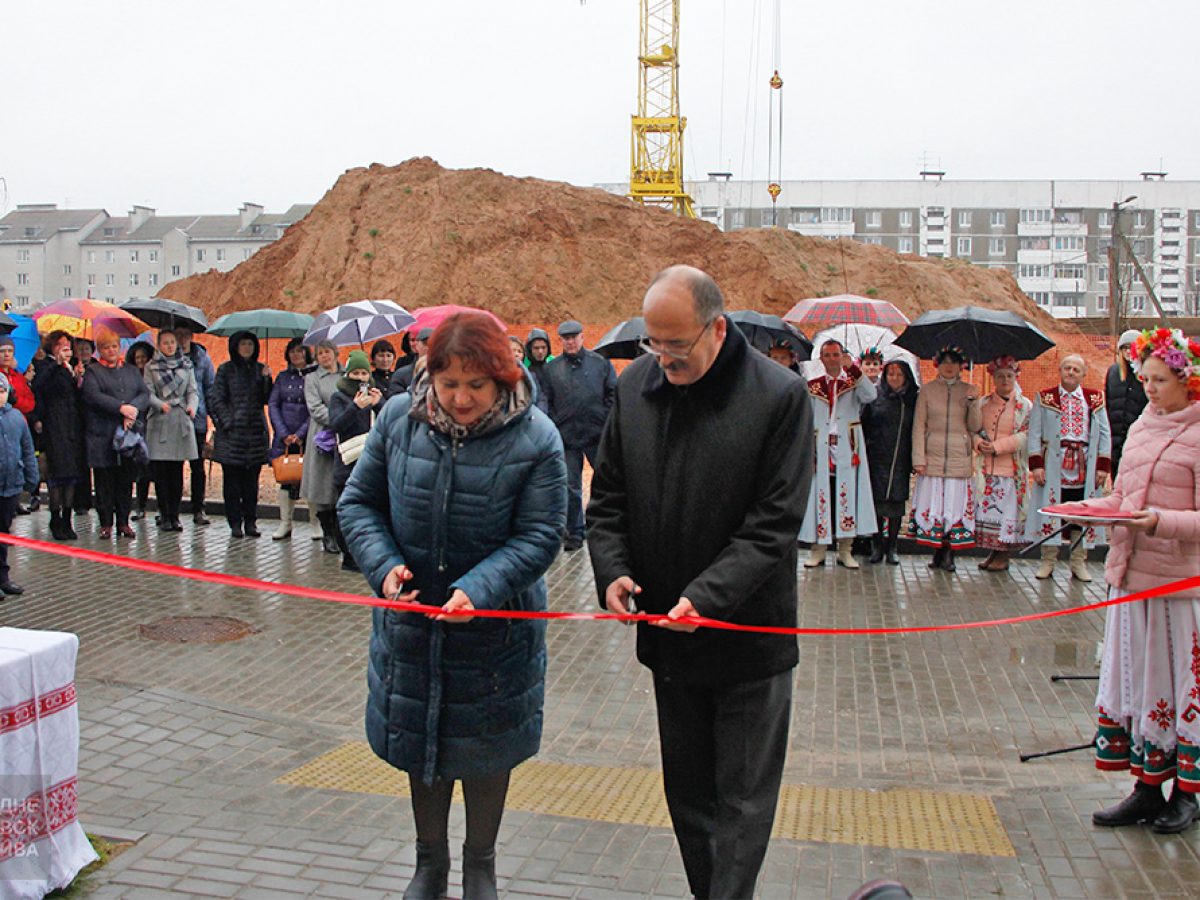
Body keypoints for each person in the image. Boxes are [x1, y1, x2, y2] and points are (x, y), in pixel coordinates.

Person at [587, 265, 813, 900]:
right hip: (669, 640)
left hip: (748, 643)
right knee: (688, 800)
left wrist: (706, 596)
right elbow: (607, 500)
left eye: (675, 347)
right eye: (652, 346)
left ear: (717, 329)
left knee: (741, 809)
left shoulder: (778, 397)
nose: (663, 360)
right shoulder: (635, 391)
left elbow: (774, 526)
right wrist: (614, 572)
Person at [338, 312, 566, 900]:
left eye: (476, 384)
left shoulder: (536, 436)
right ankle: (428, 863)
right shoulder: (397, 420)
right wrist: (384, 567)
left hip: (494, 636)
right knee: (422, 743)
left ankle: (481, 864)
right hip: (412, 628)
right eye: (448, 383)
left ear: (501, 377)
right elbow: (358, 505)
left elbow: (542, 534)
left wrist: (483, 588)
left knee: (487, 746)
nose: (461, 398)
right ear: (429, 375)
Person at [1087, 328, 1200, 834]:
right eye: (1145, 378)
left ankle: (1189, 792)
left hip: (1180, 587)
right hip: (1132, 578)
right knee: (1139, 680)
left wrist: (1160, 521)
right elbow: (1125, 498)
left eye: (1159, 379)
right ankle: (1146, 785)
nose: (1148, 388)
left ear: (1187, 380)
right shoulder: (1140, 426)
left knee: (1181, 687)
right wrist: (1093, 510)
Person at [1025, 354, 1112, 581]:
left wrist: (1102, 466)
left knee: (1080, 513)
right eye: (1067, 368)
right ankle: (1048, 561)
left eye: (1076, 369)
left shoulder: (1095, 399)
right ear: (1060, 371)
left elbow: (1104, 433)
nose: (1071, 372)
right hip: (1055, 464)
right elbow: (1034, 433)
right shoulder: (1045, 398)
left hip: (1084, 463)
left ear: (1083, 374)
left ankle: (1077, 562)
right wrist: (1036, 465)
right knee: (1053, 511)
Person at [800, 339, 877, 568]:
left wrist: (853, 367)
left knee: (848, 494)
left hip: (847, 447)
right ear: (821, 359)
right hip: (821, 446)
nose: (832, 359)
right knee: (820, 495)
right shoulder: (813, 386)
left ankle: (845, 549)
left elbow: (871, 395)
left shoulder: (853, 383)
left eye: (836, 355)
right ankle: (819, 549)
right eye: (828, 355)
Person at [542, 319, 617, 552]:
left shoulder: (600, 364)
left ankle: (609, 527)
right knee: (570, 486)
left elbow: (613, 393)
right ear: (561, 341)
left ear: (582, 338)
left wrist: (603, 418)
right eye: (566, 338)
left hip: (597, 434)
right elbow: (546, 399)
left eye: (574, 337)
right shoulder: (551, 369)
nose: (571, 342)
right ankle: (574, 532)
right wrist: (554, 422)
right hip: (567, 436)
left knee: (607, 481)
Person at [910, 347, 981, 572]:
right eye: (945, 362)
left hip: (959, 457)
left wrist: (973, 403)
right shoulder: (927, 391)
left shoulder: (968, 390)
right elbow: (919, 425)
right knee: (935, 506)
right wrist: (918, 457)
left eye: (954, 362)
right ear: (937, 365)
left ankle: (950, 551)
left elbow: (975, 426)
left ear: (961, 366)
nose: (949, 367)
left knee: (953, 506)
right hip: (933, 456)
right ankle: (936, 550)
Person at [82, 332, 150, 540]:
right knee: (104, 482)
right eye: (106, 348)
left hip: (127, 435)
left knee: (125, 481)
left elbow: (144, 393)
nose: (111, 351)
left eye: (114, 346)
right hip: (103, 434)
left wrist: (133, 410)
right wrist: (120, 408)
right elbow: (93, 396)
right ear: (100, 350)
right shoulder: (93, 371)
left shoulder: (130, 370)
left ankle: (123, 521)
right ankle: (105, 523)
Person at [210, 331, 272, 538]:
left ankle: (251, 521)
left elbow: (267, 399)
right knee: (232, 483)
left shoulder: (259, 370)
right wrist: (228, 422)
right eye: (243, 344)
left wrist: (267, 379)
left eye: (250, 344)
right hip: (232, 436)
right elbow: (216, 399)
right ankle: (235, 522)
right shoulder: (225, 370)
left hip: (255, 434)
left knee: (251, 483)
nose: (247, 348)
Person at [973, 356, 1032, 572]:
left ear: (1016, 377)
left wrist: (999, 446)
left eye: (1009, 376)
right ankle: (993, 552)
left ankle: (1004, 555)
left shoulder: (1025, 406)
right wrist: (979, 444)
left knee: (1007, 514)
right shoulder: (983, 404)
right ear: (993, 378)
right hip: (987, 470)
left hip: (1011, 471)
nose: (1005, 380)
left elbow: (1027, 435)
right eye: (1000, 376)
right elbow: (972, 429)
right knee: (991, 515)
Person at [327, 350, 382, 571]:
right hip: (347, 462)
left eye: (364, 373)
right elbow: (336, 424)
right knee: (347, 510)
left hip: (370, 462)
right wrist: (355, 407)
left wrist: (378, 404)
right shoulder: (338, 397)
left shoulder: (375, 394)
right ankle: (348, 554)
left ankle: (367, 552)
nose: (360, 378)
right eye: (356, 373)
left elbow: (389, 421)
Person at [861, 359, 919, 564]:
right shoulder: (874, 397)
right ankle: (876, 544)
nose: (894, 378)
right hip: (876, 456)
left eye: (899, 374)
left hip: (901, 457)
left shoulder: (913, 399)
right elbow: (863, 425)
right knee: (876, 503)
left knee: (896, 504)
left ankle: (892, 546)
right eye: (890, 374)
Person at [32, 331, 87, 541]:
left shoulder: (70, 370)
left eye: (68, 345)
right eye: (60, 345)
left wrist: (78, 377)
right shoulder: (48, 367)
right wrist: (56, 364)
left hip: (72, 426)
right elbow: (39, 387)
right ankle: (55, 518)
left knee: (72, 475)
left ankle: (67, 518)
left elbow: (78, 398)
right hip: (54, 427)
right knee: (58, 474)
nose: (65, 349)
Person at [143, 330, 198, 533]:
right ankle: (164, 513)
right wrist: (159, 404)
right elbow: (147, 391)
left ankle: (175, 515)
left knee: (177, 471)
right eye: (165, 343)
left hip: (180, 420)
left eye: (172, 342)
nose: (169, 346)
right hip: (160, 421)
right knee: (161, 472)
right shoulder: (151, 366)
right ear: (159, 345)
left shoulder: (187, 364)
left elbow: (193, 390)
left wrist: (192, 406)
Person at [268, 338, 314, 540]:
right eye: (292, 351)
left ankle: (316, 523)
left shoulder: (314, 377)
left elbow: (315, 408)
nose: (296, 355)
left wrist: (301, 434)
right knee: (286, 479)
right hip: (284, 436)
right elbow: (273, 405)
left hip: (308, 436)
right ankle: (285, 523)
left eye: (300, 351)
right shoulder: (282, 377)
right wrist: (283, 433)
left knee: (311, 479)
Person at [301, 338, 342, 553]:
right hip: (323, 436)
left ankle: (341, 532)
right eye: (320, 354)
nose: (325, 357)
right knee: (323, 485)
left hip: (346, 435)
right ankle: (328, 533)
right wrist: (341, 416)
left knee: (341, 485)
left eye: (328, 352)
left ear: (336, 353)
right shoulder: (312, 379)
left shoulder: (347, 375)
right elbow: (315, 408)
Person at [173, 325, 216, 525]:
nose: (181, 339)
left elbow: (210, 388)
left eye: (185, 335)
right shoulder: (168, 359)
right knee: (175, 466)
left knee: (197, 466)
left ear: (191, 336)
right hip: (174, 419)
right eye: (178, 335)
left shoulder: (202, 359)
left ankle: (199, 508)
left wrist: (213, 417)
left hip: (197, 419)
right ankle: (172, 509)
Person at [0, 373, 38, 596]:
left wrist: (31, 479)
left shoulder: (16, 418)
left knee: (4, 533)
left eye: (2, 391)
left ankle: (3, 577)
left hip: (10, 485)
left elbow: (27, 448)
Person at [1107, 329, 1149, 481]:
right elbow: (1108, 405)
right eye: (1125, 347)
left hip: (1140, 441)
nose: (1128, 351)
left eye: (1132, 347)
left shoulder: (1147, 374)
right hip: (1116, 441)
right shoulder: (1113, 373)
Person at [125, 341, 155, 521]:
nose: (141, 361)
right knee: (141, 470)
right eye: (138, 358)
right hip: (137, 426)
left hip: (155, 424)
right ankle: (140, 506)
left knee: (156, 470)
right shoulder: (130, 377)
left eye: (144, 357)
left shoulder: (154, 374)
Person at [388, 327, 432, 396]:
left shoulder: (447, 372)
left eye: (433, 342)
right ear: (417, 345)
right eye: (425, 343)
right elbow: (396, 402)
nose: (428, 347)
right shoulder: (401, 375)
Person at [0, 335, 35, 417]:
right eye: (2, 351)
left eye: (10, 351)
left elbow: (30, 404)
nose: (7, 354)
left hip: (18, 423)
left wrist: (16, 400)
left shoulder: (18, 377)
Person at [522, 328, 554, 413]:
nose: (540, 351)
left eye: (543, 347)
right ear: (530, 349)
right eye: (536, 348)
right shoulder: (523, 365)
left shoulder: (553, 363)